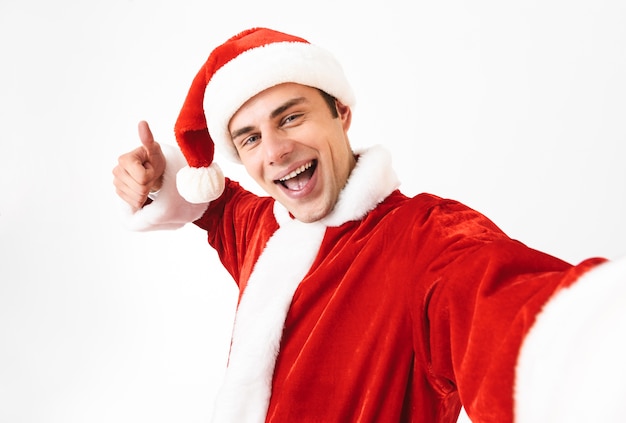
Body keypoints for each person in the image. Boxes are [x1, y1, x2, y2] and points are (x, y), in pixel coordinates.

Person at [112, 27, 626, 423]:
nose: (275, 151)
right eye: (249, 138)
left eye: (291, 117)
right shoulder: (262, 227)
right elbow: (218, 209)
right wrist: (161, 181)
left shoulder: (427, 239)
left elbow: (510, 312)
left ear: (342, 114)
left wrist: (589, 343)